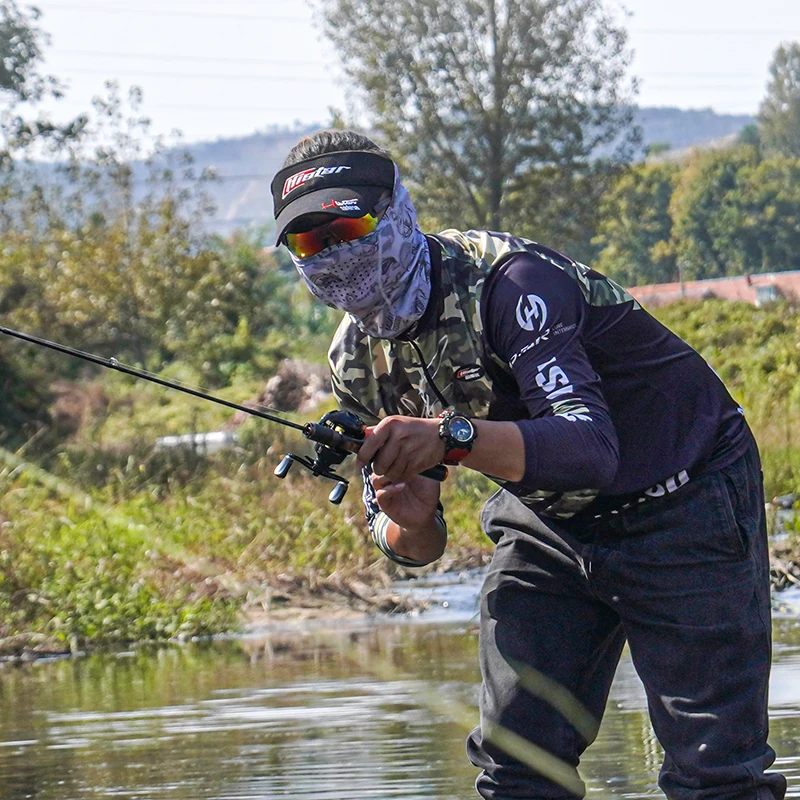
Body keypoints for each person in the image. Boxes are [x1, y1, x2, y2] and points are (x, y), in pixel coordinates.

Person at [270, 129, 787, 800]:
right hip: (545, 518)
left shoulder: (514, 283)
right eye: (311, 243)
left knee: (713, 776)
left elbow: (590, 450)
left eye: (349, 225)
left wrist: (450, 436)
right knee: (516, 766)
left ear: (397, 210)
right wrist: (409, 518)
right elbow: (416, 549)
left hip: (683, 494)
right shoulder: (354, 362)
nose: (336, 253)